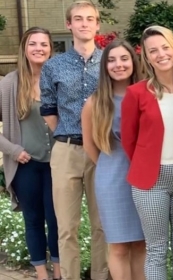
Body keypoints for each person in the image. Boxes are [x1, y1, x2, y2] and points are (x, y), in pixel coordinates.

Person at [121, 25, 173, 280]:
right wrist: (146, 163)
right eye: (153, 51)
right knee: (156, 251)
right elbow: (128, 140)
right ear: (146, 58)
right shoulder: (135, 93)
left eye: (165, 47)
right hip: (151, 181)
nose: (160, 54)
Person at [39, 1, 108, 279]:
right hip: (66, 151)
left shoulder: (108, 62)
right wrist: (68, 133)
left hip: (102, 152)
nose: (84, 23)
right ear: (69, 25)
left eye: (89, 19)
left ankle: (101, 275)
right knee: (66, 226)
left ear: (97, 24)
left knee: (101, 223)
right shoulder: (54, 66)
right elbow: (48, 109)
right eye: (78, 19)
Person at [0, 26, 61, 280]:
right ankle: (41, 275)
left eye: (44, 44)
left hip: (58, 164)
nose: (39, 49)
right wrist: (13, 150)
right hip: (27, 165)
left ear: (51, 49)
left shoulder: (58, 80)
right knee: (34, 220)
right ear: (24, 49)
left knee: (58, 220)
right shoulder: (10, 83)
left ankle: (59, 273)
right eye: (33, 44)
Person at [82, 39, 146, 280]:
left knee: (141, 243)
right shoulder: (95, 102)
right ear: (104, 66)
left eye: (124, 58)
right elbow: (89, 144)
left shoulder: (146, 95)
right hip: (111, 178)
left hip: (144, 177)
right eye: (111, 60)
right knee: (118, 246)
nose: (118, 64)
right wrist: (109, 168)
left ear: (133, 62)